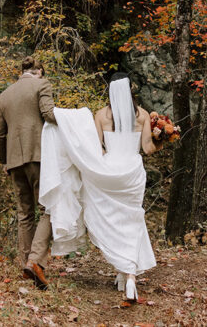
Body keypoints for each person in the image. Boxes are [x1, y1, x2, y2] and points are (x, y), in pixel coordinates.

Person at [39, 72, 157, 303]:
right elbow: (148, 149)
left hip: (110, 172)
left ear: (111, 90)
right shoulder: (142, 115)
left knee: (112, 221)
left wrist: (103, 162)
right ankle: (129, 276)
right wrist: (162, 138)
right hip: (132, 174)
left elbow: (96, 149)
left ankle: (124, 271)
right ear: (130, 90)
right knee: (132, 220)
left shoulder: (101, 115)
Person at [0, 56, 56, 289]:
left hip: (13, 161)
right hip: (39, 156)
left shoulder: (5, 94)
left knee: (24, 213)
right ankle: (35, 261)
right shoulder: (42, 84)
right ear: (39, 71)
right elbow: (49, 114)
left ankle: (26, 264)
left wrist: (4, 160)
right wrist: (73, 123)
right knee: (49, 208)